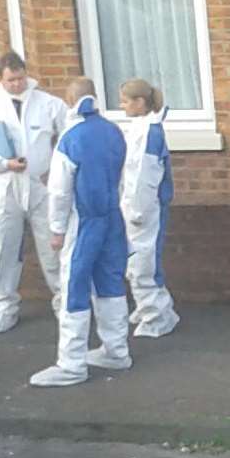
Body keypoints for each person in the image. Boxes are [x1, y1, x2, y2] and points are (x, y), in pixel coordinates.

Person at [30, 78, 132, 387]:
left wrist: (57, 229)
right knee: (110, 282)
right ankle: (117, 350)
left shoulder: (70, 138)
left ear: (69, 100)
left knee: (73, 287)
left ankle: (71, 364)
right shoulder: (114, 131)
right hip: (112, 217)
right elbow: (124, 177)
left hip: (83, 221)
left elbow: (59, 192)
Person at [0, 51, 67, 334]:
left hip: (40, 184)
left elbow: (70, 136)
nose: (17, 84)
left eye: (20, 78)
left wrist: (56, 169)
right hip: (5, 184)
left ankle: (65, 302)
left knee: (53, 245)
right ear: (1, 78)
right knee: (2, 248)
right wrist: (1, 164)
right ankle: (4, 306)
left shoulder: (48, 103)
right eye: (11, 80)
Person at [119, 79, 180, 338]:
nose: (121, 106)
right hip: (138, 206)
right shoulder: (143, 128)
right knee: (137, 261)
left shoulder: (148, 133)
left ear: (139, 102)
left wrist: (137, 211)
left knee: (144, 263)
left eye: (124, 101)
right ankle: (149, 307)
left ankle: (157, 315)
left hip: (144, 209)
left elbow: (144, 177)